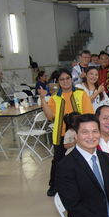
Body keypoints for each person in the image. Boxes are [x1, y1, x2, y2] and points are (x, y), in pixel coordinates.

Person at [39, 68, 94, 197]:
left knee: (81, 160)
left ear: (71, 79)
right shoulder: (54, 98)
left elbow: (89, 114)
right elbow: (49, 116)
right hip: (61, 133)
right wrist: (42, 98)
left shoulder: (81, 94)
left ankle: (81, 184)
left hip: (80, 134)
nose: (65, 81)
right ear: (58, 82)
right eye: (62, 79)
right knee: (58, 161)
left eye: (67, 78)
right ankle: (54, 185)